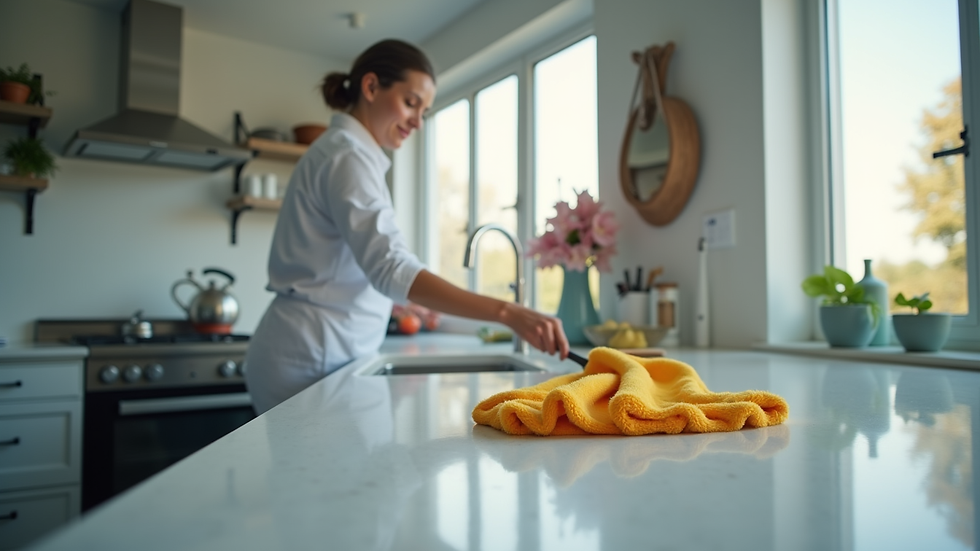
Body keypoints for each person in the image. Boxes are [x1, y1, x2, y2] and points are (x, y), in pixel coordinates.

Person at [244, 39, 570, 415]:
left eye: (424, 110)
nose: (418, 121)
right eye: (411, 102)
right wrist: (507, 312)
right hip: (312, 356)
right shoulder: (347, 157)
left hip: (322, 348)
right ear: (370, 87)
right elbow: (392, 269)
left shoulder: (348, 153)